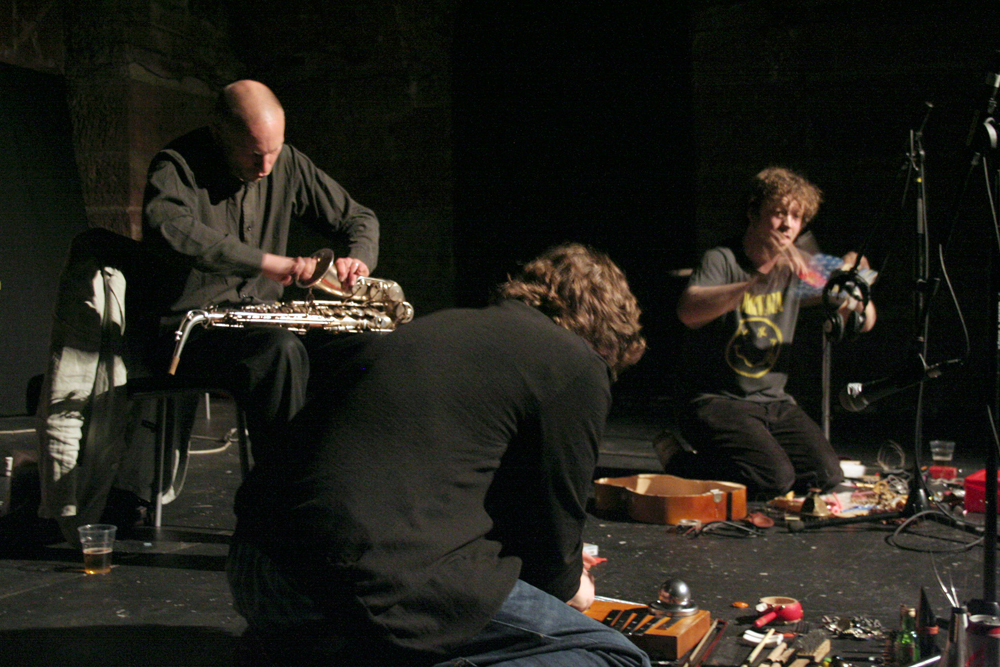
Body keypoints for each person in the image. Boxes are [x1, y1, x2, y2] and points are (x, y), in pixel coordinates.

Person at [226, 243, 649, 666]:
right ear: (605, 339)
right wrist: (576, 584)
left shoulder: (443, 327)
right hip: (352, 588)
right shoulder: (576, 362)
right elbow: (555, 568)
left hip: (258, 576)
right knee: (616, 657)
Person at [141, 79, 380, 465]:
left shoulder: (285, 160)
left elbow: (359, 218)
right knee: (279, 352)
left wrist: (359, 258)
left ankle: (335, 480)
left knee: (364, 346)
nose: (266, 167)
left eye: (273, 151)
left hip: (262, 324)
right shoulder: (177, 165)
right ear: (218, 133)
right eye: (254, 155)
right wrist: (269, 263)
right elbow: (170, 229)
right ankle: (278, 499)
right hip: (191, 332)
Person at [665, 166, 876, 498]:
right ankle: (680, 462)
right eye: (779, 213)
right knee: (773, 478)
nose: (788, 224)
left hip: (773, 401)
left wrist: (854, 282)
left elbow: (863, 316)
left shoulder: (796, 265)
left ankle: (743, 462)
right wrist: (755, 282)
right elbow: (688, 312)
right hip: (715, 402)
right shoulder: (722, 258)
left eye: (796, 216)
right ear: (753, 213)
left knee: (827, 475)